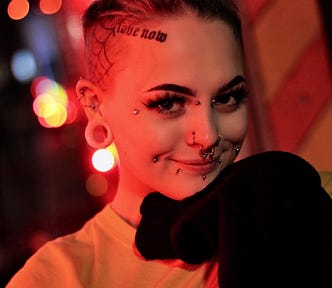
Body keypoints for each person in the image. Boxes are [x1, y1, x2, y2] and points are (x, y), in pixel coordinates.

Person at [6, 0, 332, 287]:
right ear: (95, 106)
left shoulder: (309, 196)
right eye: (167, 103)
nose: (208, 135)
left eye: (229, 97)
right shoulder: (60, 279)